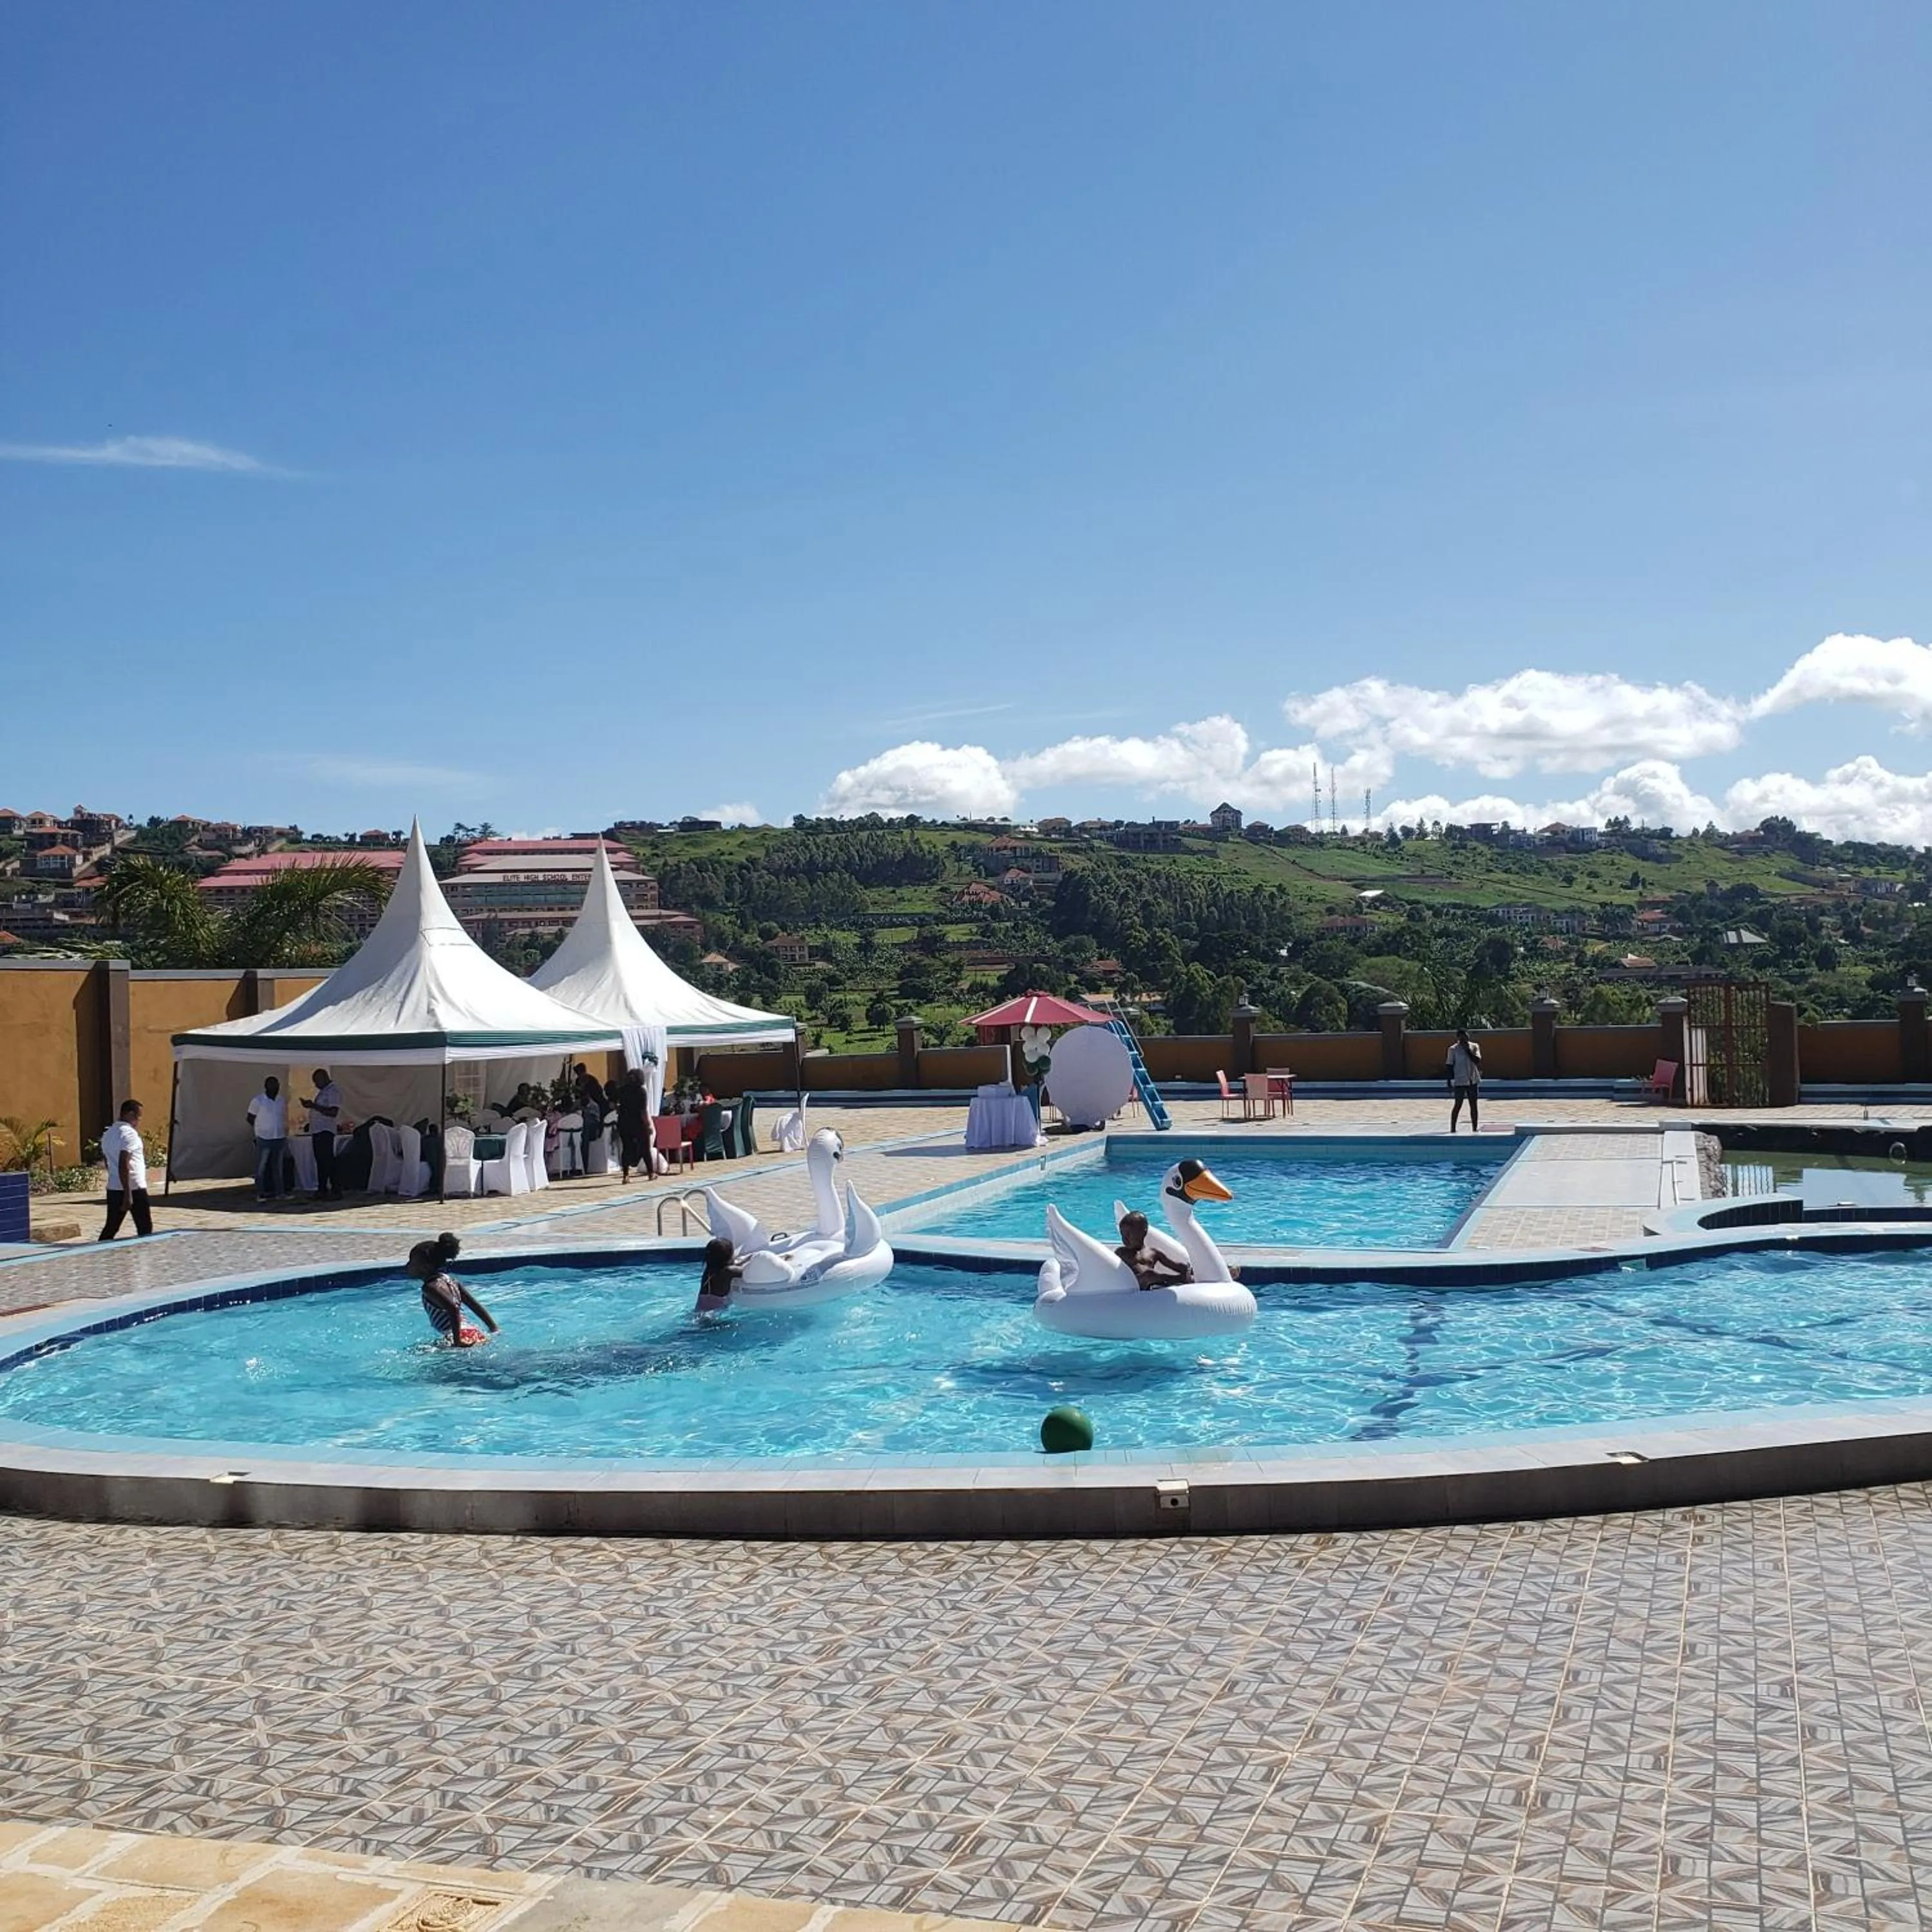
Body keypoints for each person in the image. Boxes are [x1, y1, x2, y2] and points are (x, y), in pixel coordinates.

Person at [406, 1232, 498, 1347]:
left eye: (411, 1261)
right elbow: (475, 1305)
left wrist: (457, 1340)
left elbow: (453, 1308)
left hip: (458, 1335)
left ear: (425, 1267)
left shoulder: (430, 1287)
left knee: (417, 1352)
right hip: (473, 1332)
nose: (407, 1265)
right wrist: (493, 1327)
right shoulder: (451, 1281)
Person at [99, 1099, 153, 1241]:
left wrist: (114, 1177)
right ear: (130, 1114)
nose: (139, 1121)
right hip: (133, 1187)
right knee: (145, 1228)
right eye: (138, 1116)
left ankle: (99, 1253)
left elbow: (107, 1161)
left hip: (114, 1187)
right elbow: (124, 1162)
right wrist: (128, 1194)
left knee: (111, 1228)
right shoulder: (129, 1134)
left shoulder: (108, 1134)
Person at [1115, 1211, 1193, 1291]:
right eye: (1122, 1234)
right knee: (1148, 1275)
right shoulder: (1121, 1252)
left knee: (1151, 1275)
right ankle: (1181, 1279)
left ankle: (1184, 1278)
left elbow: (1174, 1265)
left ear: (1143, 1232)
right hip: (1134, 1283)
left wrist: (1190, 1269)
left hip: (1150, 1284)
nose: (1125, 1238)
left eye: (1129, 1234)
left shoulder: (1153, 1252)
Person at [246, 1075, 288, 1202]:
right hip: (264, 1138)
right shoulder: (258, 1101)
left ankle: (280, 1193)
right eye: (272, 1085)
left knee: (278, 1167)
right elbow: (250, 1118)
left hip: (279, 1137)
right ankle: (260, 1193)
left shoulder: (281, 1100)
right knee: (261, 1167)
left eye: (277, 1085)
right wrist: (260, 1129)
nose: (275, 1088)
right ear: (266, 1087)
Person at [305, 1066, 344, 1200]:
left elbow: (333, 1112)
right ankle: (322, 1189)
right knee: (321, 1161)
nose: (315, 1084)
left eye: (316, 1081)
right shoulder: (323, 1092)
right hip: (317, 1130)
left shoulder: (333, 1091)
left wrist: (313, 1106)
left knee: (327, 1160)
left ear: (324, 1078)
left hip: (325, 1131)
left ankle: (336, 1189)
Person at [614, 1066, 652, 1182]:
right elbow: (643, 1111)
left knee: (626, 1149)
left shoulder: (622, 1090)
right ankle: (651, 1173)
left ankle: (626, 1175)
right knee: (645, 1148)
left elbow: (613, 1104)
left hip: (624, 1122)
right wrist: (648, 1125)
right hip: (638, 1123)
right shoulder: (641, 1091)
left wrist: (620, 1109)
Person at [1446, 1027, 1484, 1133]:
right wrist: (1449, 1081)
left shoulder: (1474, 1047)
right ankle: (1453, 1128)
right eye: (1461, 1038)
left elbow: (1477, 1060)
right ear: (1458, 1038)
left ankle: (1475, 1127)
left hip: (1473, 1079)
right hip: (1460, 1080)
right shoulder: (1453, 1049)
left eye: (1466, 1037)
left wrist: (1467, 1050)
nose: (1464, 1040)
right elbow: (1449, 1065)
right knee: (1458, 1104)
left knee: (1473, 1104)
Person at [696, 1236, 741, 1314]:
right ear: (728, 1257)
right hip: (714, 1315)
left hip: (700, 1311)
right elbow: (748, 1270)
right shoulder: (729, 1271)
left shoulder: (708, 1270)